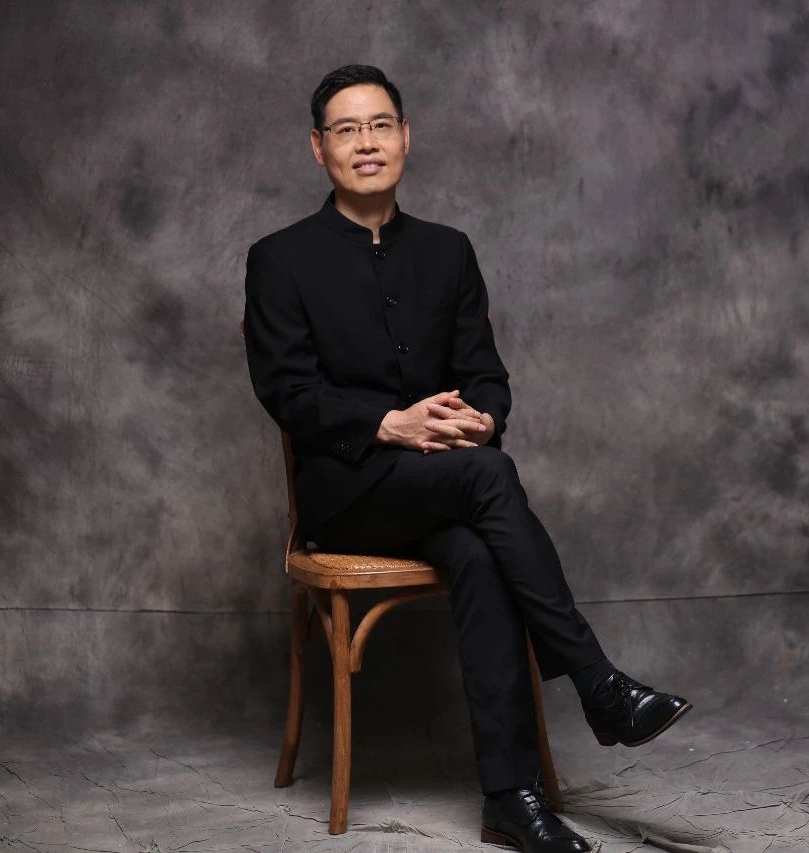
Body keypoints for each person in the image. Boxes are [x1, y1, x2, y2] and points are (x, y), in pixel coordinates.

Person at [241, 64, 691, 852]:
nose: (367, 143)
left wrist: (481, 418)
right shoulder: (279, 258)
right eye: (347, 130)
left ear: (406, 137)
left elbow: (486, 375)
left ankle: (510, 797)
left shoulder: (449, 252)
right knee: (491, 478)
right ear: (318, 148)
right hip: (348, 495)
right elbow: (287, 391)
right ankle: (597, 683)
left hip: (445, 487)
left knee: (482, 547)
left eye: (381, 125)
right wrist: (391, 423)